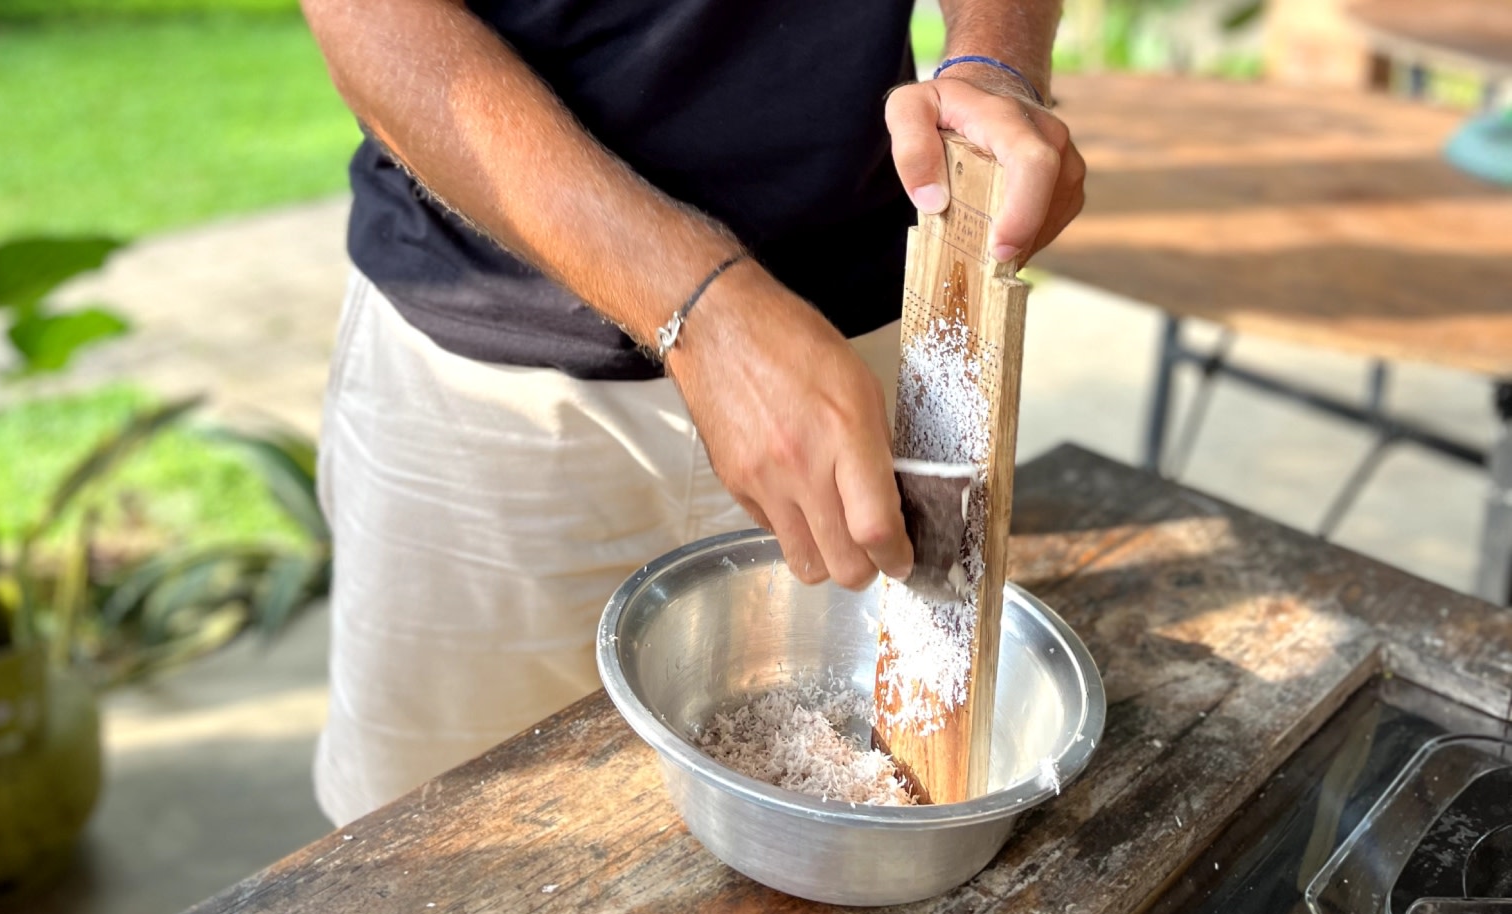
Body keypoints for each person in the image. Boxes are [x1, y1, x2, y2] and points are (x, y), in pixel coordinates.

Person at [300, 0, 1085, 825]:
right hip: (488, 391)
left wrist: (994, 65)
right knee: (438, 837)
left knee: (893, 806)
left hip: (857, 356)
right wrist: (705, 315)